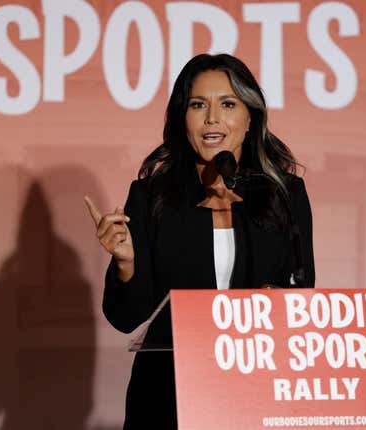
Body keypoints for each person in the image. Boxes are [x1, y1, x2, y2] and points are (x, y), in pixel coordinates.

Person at [85, 53, 315, 428]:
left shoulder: (285, 194)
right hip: (167, 396)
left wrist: (276, 300)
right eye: (197, 105)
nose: (212, 118)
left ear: (249, 116)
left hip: (257, 391)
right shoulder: (151, 197)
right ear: (182, 118)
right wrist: (126, 263)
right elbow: (126, 319)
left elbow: (302, 290)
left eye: (227, 104)